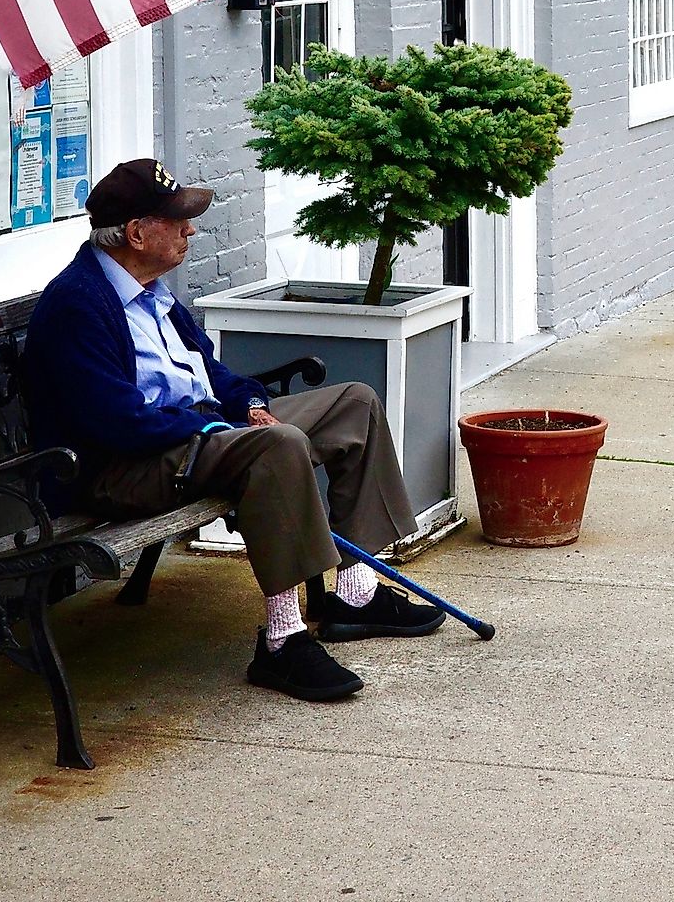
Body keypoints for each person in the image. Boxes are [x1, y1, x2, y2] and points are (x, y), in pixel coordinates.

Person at [22, 158, 443, 702]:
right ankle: (281, 639)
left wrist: (246, 403)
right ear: (136, 232)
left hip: (194, 434)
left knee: (353, 404)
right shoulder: (79, 305)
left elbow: (208, 371)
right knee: (278, 446)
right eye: (177, 221)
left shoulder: (151, 291)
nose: (189, 231)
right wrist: (220, 427)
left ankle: (355, 596)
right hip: (128, 464)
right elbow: (115, 421)